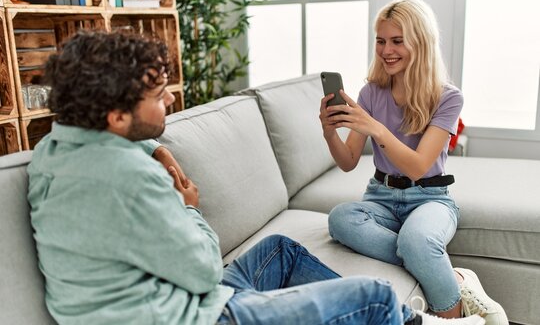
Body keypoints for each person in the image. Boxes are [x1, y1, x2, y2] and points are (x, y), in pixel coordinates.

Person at [27, 30, 485, 325]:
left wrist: (159, 148)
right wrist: (189, 210)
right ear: (114, 114)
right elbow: (205, 271)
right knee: (375, 297)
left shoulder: (55, 146)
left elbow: (137, 141)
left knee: (280, 251)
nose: (170, 98)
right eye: (156, 93)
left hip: (152, 303)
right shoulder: (128, 180)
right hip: (196, 316)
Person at [319, 0, 508, 325]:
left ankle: (452, 314)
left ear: (419, 42)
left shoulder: (448, 97)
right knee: (340, 219)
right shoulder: (371, 93)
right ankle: (447, 271)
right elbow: (349, 161)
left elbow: (419, 166)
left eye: (396, 41)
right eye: (380, 41)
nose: (386, 50)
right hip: (381, 197)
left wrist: (375, 127)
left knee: (417, 239)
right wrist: (329, 132)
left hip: (431, 198)